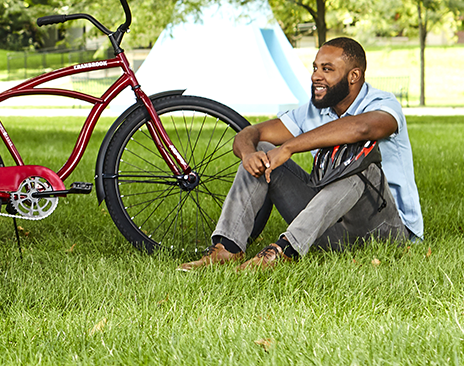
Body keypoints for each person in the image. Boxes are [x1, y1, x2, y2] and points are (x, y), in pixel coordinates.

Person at [180, 37, 423, 272]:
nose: (316, 75)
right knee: (262, 150)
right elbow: (251, 133)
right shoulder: (313, 111)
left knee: (358, 162)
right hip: (328, 227)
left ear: (354, 76)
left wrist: (288, 147)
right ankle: (227, 248)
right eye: (316, 67)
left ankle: (285, 251)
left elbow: (362, 128)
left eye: (327, 69)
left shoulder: (383, 104)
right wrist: (247, 155)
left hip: (386, 230)